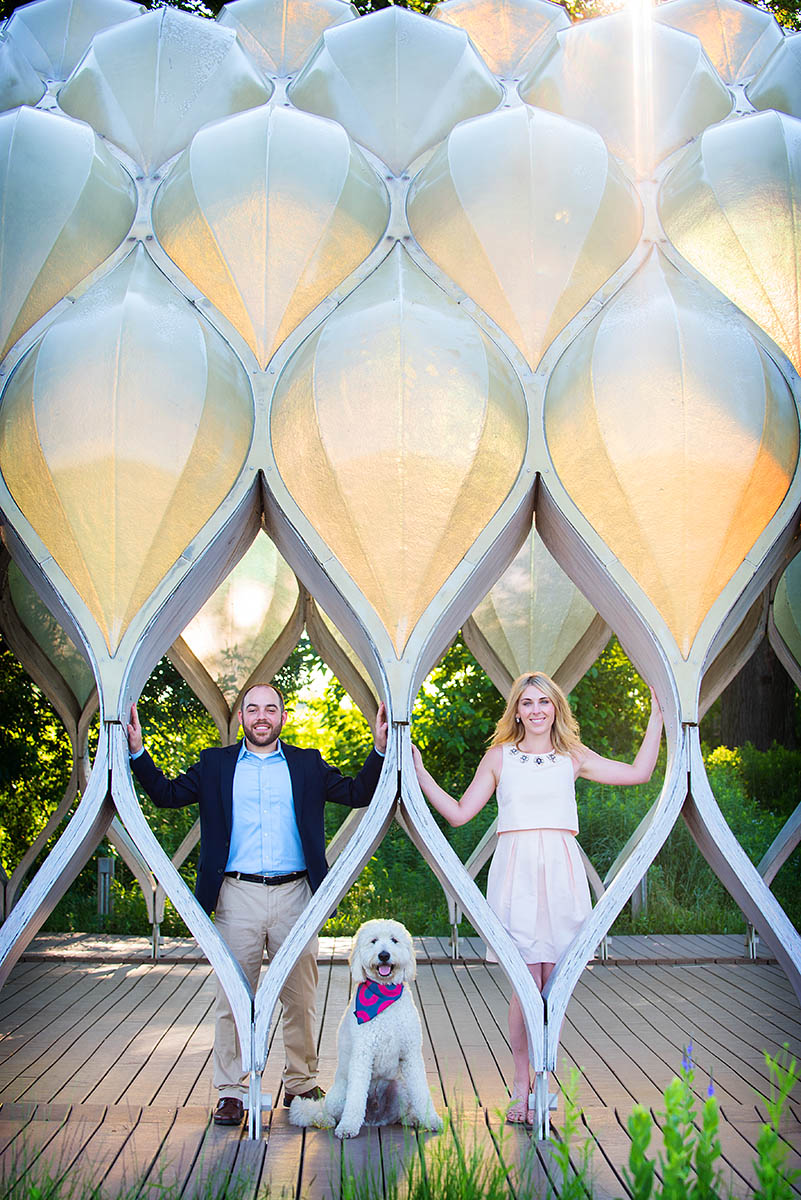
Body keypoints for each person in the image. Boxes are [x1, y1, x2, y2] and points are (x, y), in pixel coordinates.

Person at [127, 683, 388, 1126]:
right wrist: (137, 752)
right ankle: (231, 1091)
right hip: (236, 895)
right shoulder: (215, 764)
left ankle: (300, 1083)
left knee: (301, 996)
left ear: (283, 717)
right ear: (242, 717)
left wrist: (380, 750)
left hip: (296, 895)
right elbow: (166, 795)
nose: (262, 716)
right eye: (253, 709)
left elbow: (357, 793)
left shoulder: (308, 763)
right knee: (233, 996)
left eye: (271, 709)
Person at [412, 671, 662, 1124]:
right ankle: (521, 1089)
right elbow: (459, 814)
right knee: (525, 987)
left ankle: (545, 1081)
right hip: (516, 874)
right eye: (527, 703)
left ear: (556, 708)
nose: (536, 710)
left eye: (544, 702)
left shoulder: (572, 756)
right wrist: (421, 772)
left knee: (555, 986)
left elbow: (639, 774)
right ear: (517, 710)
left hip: (563, 873)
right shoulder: (499, 757)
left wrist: (658, 715)